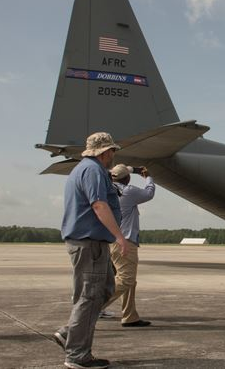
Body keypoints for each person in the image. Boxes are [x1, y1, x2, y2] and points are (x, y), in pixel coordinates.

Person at [53, 132, 128, 369]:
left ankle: (70, 333)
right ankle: (77, 355)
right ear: (105, 152)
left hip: (92, 242)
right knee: (89, 296)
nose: (114, 156)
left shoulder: (84, 169)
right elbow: (98, 204)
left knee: (105, 289)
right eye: (113, 152)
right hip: (90, 242)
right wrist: (119, 235)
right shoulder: (93, 170)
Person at [100, 164, 155, 327]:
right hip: (126, 241)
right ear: (127, 178)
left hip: (111, 240)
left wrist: (132, 170)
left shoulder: (107, 188)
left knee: (130, 280)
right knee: (126, 279)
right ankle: (92, 308)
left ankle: (130, 316)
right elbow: (149, 193)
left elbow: (116, 173)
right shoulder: (128, 191)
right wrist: (148, 177)